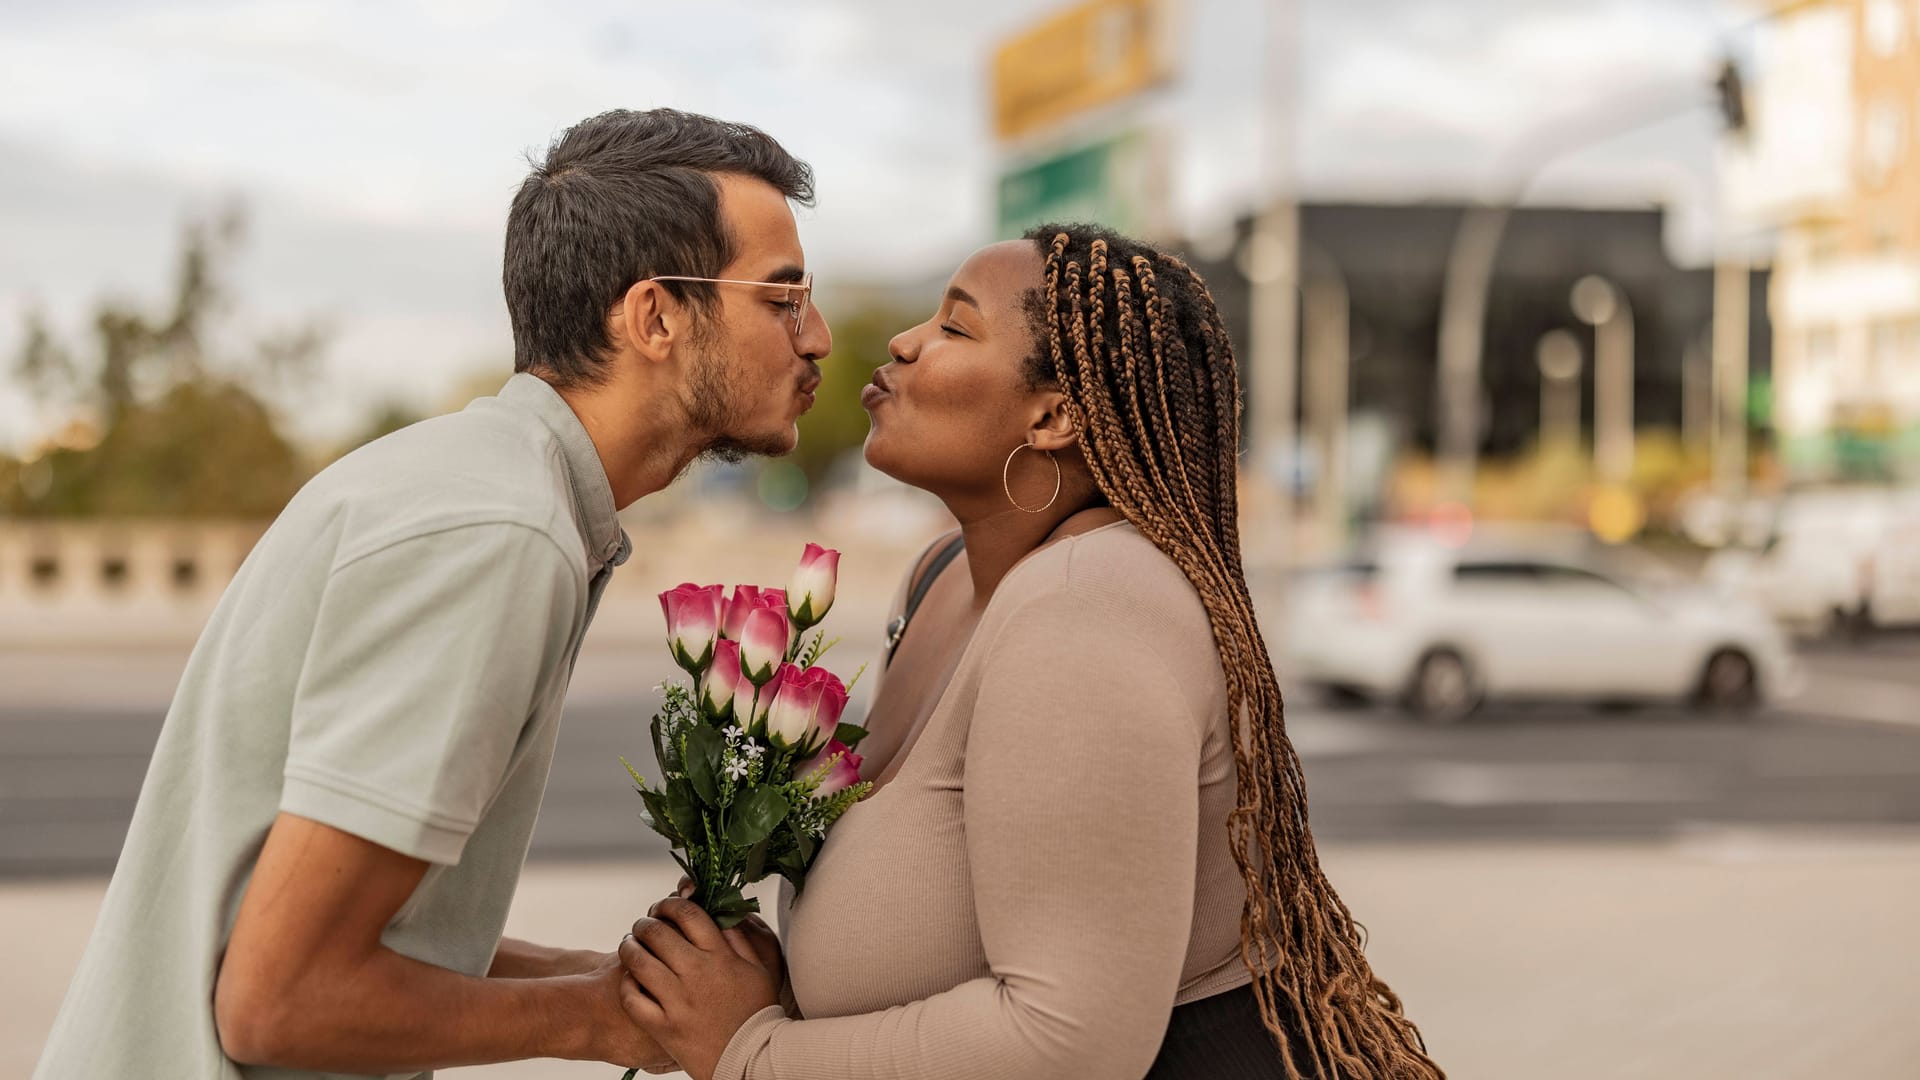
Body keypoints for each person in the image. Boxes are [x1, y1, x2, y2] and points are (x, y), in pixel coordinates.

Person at [33, 107, 830, 1079]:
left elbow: (373, 933)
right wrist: (605, 1024)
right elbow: (280, 1004)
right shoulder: (499, 534)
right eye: (783, 299)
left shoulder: (486, 490)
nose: (819, 338)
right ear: (654, 316)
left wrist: (618, 983)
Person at [616, 224, 1446, 1080]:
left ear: (1052, 416)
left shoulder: (1084, 606)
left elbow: (1070, 1043)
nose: (903, 342)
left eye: (954, 327)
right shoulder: (940, 577)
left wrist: (751, 1053)